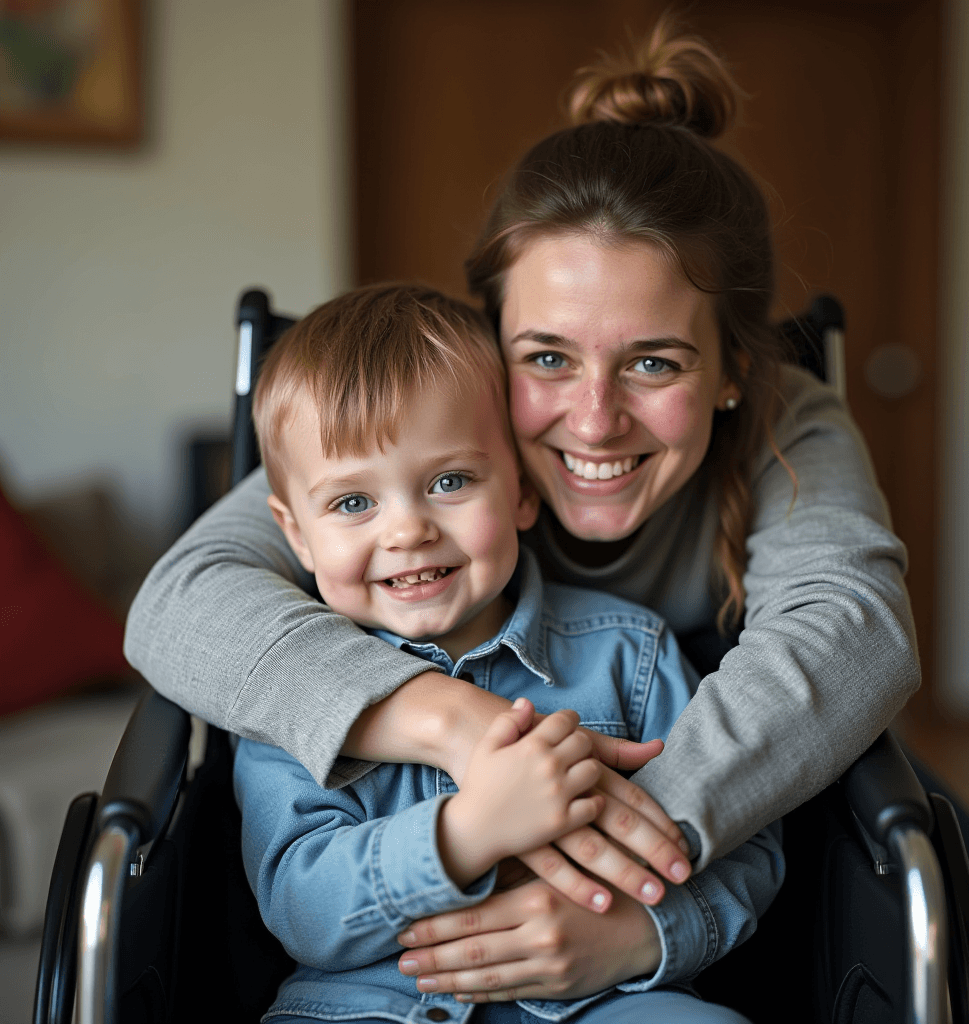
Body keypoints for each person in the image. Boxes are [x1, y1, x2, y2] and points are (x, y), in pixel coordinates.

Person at [124, 17, 918, 1002]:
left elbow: (855, 630)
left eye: (654, 361)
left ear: (730, 371)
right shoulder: (423, 430)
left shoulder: (784, 423)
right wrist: (453, 725)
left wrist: (611, 876)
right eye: (545, 355)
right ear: (485, 338)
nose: (592, 418)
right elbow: (183, 600)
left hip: (729, 788)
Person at [238, 282, 782, 1024]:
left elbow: (745, 846)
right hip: (369, 1005)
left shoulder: (631, 652)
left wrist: (652, 937)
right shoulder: (288, 682)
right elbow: (301, 906)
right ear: (295, 534)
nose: (406, 532)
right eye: (353, 503)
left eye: (450, 482)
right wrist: (467, 834)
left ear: (522, 492)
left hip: (602, 997)